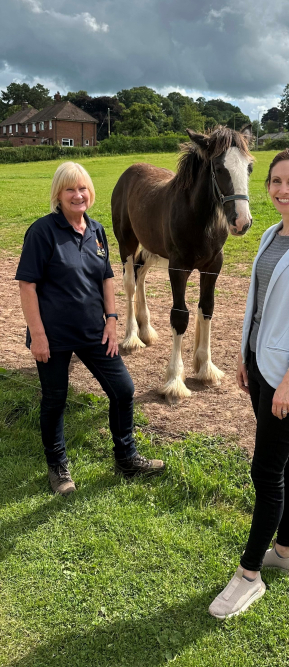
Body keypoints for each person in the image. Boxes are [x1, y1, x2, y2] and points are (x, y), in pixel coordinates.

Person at [209, 146, 289, 619]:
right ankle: (287, 553)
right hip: (260, 367)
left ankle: (249, 575)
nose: (283, 190)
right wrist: (244, 354)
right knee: (286, 462)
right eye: (276, 182)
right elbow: (258, 305)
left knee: (265, 471)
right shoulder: (269, 235)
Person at [16, 161, 164, 495]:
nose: (78, 194)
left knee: (123, 389)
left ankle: (126, 457)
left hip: (94, 332)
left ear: (90, 192)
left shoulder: (96, 231)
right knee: (55, 399)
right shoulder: (42, 232)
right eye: (70, 189)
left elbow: (106, 279)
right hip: (52, 336)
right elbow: (27, 286)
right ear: (58, 193)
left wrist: (112, 321)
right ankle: (58, 468)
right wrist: (37, 336)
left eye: (82, 188)